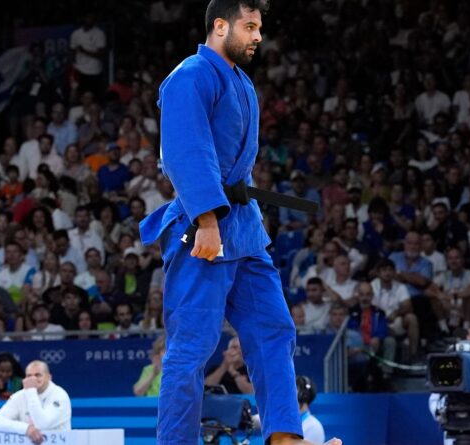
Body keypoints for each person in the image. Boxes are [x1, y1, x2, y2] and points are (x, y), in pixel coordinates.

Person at [138, 2, 333, 444]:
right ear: (219, 26)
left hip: (245, 229)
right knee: (192, 348)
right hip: (205, 226)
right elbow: (187, 151)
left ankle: (284, 434)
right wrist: (207, 221)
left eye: (259, 27)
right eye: (250, 26)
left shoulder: (242, 82)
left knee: (274, 328)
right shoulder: (191, 75)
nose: (258, 36)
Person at [0, 360, 72, 444]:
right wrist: (26, 428)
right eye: (29, 376)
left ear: (49, 377)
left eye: (38, 375)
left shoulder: (60, 395)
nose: (33, 379)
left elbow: (41, 425)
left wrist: (31, 392)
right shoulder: (19, 396)